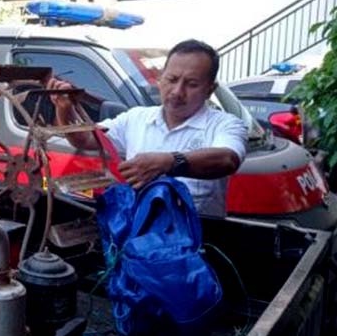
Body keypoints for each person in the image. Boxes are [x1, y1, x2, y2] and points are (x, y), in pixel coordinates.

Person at [48, 39, 248, 217]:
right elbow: (85, 139)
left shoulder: (226, 124)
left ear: (210, 90)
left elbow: (227, 159)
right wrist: (65, 109)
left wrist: (169, 162)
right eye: (172, 80)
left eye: (192, 84)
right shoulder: (135, 119)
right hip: (139, 237)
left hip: (196, 239)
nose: (177, 92)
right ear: (160, 79)